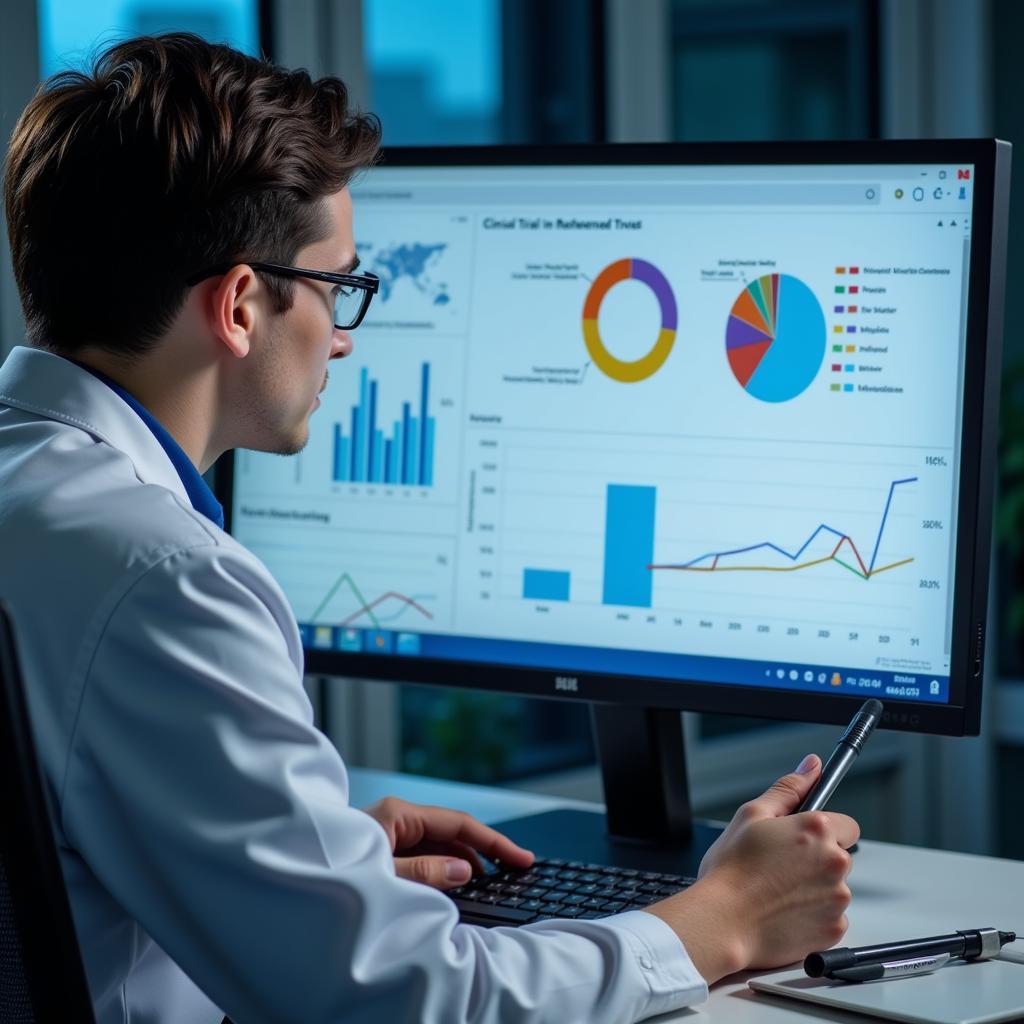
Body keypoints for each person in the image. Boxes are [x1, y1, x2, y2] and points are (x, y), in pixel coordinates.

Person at [0, 33, 858, 1024]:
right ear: (240, 305)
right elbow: (405, 1002)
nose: (347, 333)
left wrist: (310, 859)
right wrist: (721, 920)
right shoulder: (164, 579)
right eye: (340, 286)